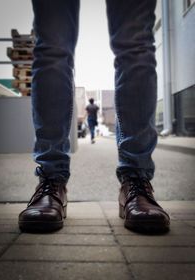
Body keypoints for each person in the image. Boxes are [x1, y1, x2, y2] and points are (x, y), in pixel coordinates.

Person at [19, 0, 170, 233]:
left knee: (136, 44)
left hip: (94, 119)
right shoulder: (92, 108)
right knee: (51, 47)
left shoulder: (92, 108)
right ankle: (51, 180)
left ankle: (136, 180)